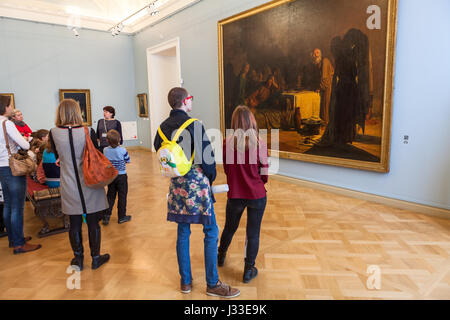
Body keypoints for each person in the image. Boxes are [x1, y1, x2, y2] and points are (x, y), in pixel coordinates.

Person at [153, 87, 240, 298]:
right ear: (184, 101)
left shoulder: (162, 128)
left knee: (183, 232)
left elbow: (159, 150)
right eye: (190, 98)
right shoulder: (194, 125)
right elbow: (208, 161)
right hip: (196, 184)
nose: (191, 101)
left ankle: (186, 282)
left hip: (176, 185)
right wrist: (209, 179)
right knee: (210, 231)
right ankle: (212, 283)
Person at [49, 99, 110, 271]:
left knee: (74, 223)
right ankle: (96, 258)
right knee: (93, 223)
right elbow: (96, 153)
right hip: (89, 181)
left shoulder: (53, 132)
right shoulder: (87, 131)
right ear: (77, 111)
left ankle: (79, 260)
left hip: (69, 182)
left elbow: (56, 156)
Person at [218, 105, 269, 283]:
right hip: (257, 194)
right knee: (253, 233)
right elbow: (265, 174)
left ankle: (221, 255)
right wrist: (257, 183)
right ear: (252, 121)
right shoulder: (260, 143)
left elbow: (226, 169)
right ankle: (248, 270)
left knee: (230, 227)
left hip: (235, 194)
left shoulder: (226, 143)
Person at [0, 95, 41, 254]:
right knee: (17, 206)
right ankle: (19, 244)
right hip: (13, 166)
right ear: (5, 107)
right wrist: (23, 139)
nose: (11, 108)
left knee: (9, 204)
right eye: (10, 105)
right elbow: (24, 144)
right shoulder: (7, 123)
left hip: (2, 167)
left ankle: (13, 238)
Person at [102, 129, 131, 225]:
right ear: (119, 139)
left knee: (110, 196)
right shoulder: (122, 150)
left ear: (107, 141)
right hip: (122, 176)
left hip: (111, 176)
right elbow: (128, 160)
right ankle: (122, 217)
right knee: (122, 196)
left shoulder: (105, 150)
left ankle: (106, 217)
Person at [301, 49, 335, 124]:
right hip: (324, 86)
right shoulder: (318, 63)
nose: (315, 55)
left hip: (328, 86)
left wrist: (320, 87)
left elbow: (324, 77)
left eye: (317, 53)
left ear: (320, 54)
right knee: (322, 106)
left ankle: (325, 123)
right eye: (314, 53)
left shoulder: (325, 61)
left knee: (325, 106)